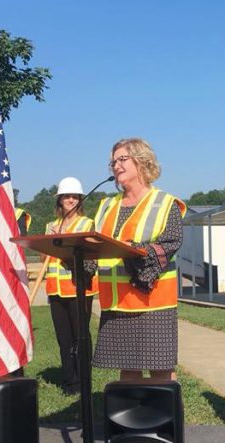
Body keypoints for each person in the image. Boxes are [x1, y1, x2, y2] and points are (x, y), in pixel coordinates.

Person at [91, 138, 186, 382]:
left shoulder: (165, 203)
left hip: (153, 304)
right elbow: (95, 247)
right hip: (117, 303)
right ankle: (130, 419)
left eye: (122, 159)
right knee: (128, 370)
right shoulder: (105, 205)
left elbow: (171, 242)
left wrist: (136, 253)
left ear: (142, 161)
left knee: (160, 371)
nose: (116, 165)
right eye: (113, 161)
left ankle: (164, 420)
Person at [44, 177, 98, 395]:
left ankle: (84, 379)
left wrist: (65, 248)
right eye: (66, 196)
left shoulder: (87, 224)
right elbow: (45, 256)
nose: (70, 200)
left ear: (80, 200)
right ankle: (69, 382)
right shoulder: (50, 226)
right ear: (59, 200)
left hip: (79, 288)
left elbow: (90, 260)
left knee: (80, 336)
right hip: (55, 289)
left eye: (74, 196)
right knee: (63, 338)